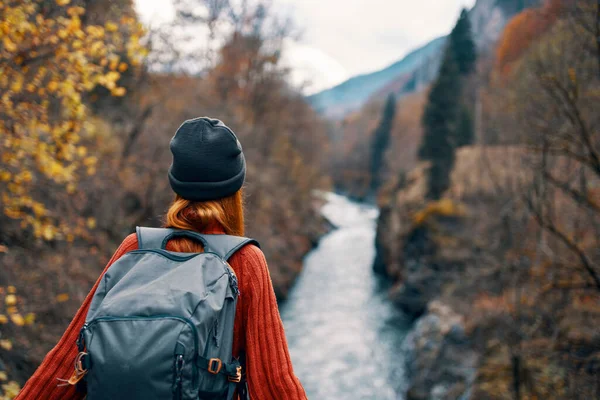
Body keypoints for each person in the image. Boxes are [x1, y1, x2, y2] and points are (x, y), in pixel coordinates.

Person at [16, 117, 307, 400]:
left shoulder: (135, 247)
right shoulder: (244, 261)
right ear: (235, 190)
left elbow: (68, 360)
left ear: (175, 184)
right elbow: (274, 384)